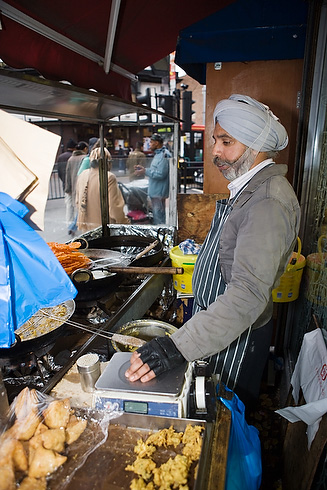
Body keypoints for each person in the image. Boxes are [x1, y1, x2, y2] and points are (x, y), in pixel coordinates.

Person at [125, 94, 301, 413]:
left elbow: (247, 295)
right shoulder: (249, 191)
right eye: (216, 139)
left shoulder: (267, 204)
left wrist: (175, 347)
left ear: (255, 146)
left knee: (221, 418)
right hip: (218, 328)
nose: (215, 150)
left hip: (235, 338)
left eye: (226, 141)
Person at [75, 147, 129, 232]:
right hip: (104, 229)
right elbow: (114, 208)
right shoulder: (108, 177)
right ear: (107, 162)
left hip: (86, 228)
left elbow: (78, 202)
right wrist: (125, 223)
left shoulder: (83, 174)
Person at [133, 133, 171, 224]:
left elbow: (161, 174)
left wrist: (145, 171)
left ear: (157, 143)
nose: (149, 144)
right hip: (155, 191)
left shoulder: (164, 155)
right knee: (157, 216)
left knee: (159, 218)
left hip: (159, 192)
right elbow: (156, 170)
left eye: (151, 142)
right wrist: (144, 170)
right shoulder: (158, 154)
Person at [65, 141, 89, 235]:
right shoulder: (85, 158)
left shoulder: (71, 159)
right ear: (85, 149)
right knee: (82, 209)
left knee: (77, 208)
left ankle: (72, 226)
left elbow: (67, 175)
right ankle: (73, 227)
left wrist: (68, 189)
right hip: (82, 186)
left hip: (73, 187)